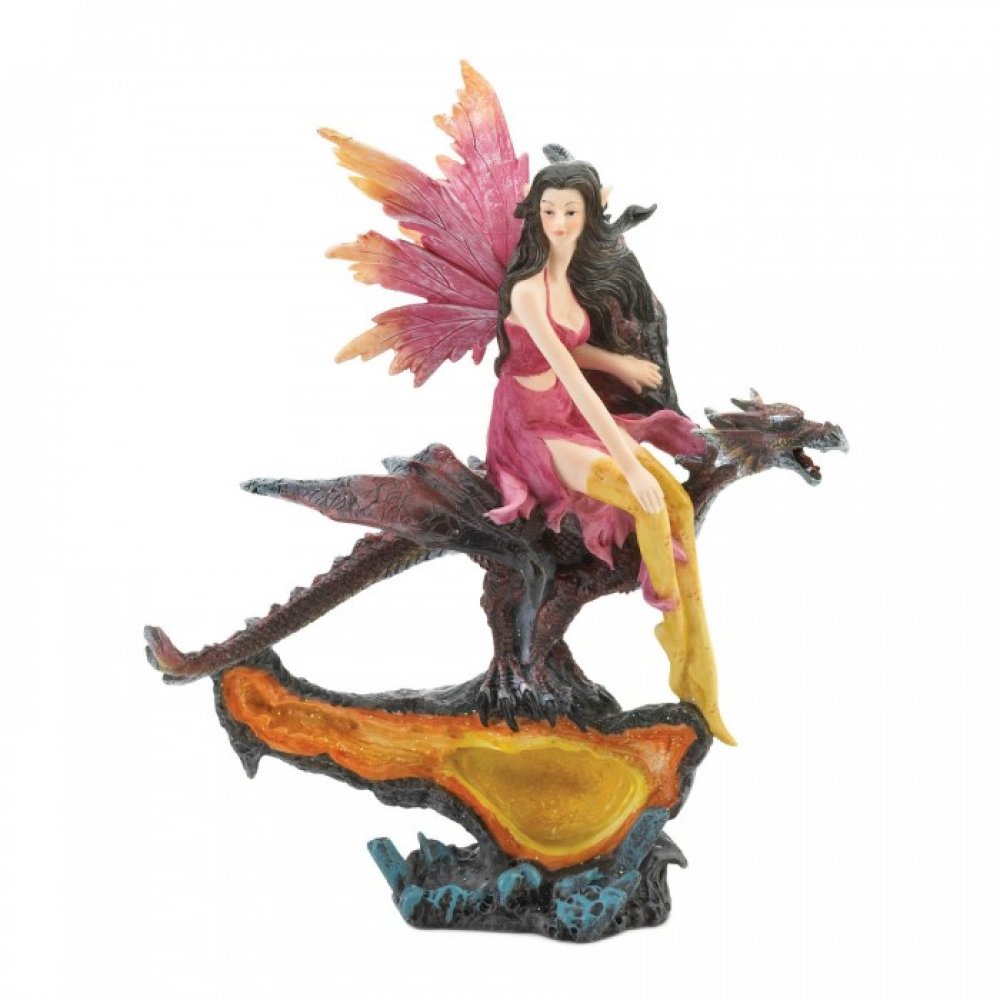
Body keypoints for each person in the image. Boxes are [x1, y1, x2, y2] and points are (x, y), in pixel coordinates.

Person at [485, 160, 735, 745]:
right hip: (531, 430)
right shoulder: (526, 290)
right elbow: (570, 377)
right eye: (549, 211)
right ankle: (670, 615)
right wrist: (627, 462)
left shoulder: (572, 282)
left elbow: (570, 349)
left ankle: (694, 656)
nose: (559, 223)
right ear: (535, 215)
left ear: (588, 215)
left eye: (571, 211)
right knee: (646, 500)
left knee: (676, 504)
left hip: (569, 416)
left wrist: (618, 362)